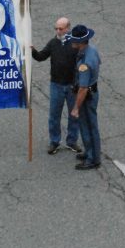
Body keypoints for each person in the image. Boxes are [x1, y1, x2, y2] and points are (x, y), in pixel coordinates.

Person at [32, 17, 82, 155]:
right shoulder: (53, 43)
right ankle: (54, 142)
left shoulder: (75, 43)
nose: (58, 31)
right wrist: (32, 50)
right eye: (56, 28)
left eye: (61, 28)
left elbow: (82, 60)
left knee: (74, 115)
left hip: (72, 85)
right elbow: (41, 57)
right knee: (54, 115)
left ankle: (72, 141)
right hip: (56, 85)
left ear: (68, 28)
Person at [66, 25, 101, 170]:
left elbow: (83, 88)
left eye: (74, 40)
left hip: (86, 97)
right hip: (92, 92)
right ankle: (90, 152)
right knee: (89, 126)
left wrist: (76, 107)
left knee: (87, 127)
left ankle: (92, 159)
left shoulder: (85, 63)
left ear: (80, 42)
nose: (72, 42)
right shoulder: (92, 50)